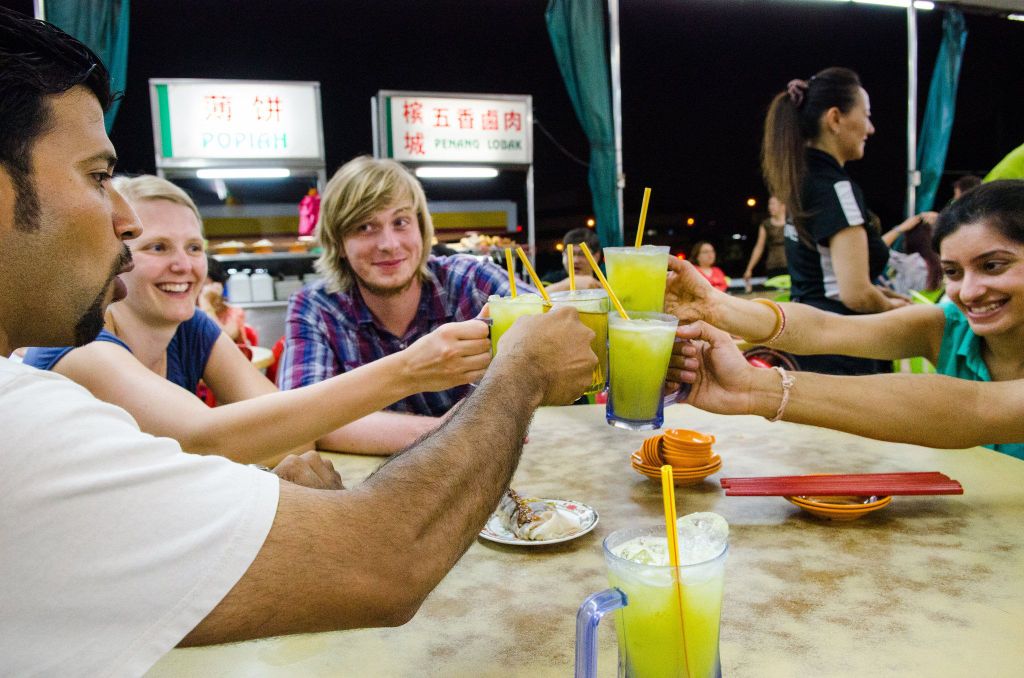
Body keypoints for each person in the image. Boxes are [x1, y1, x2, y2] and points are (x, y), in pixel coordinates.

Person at [0, 9, 596, 673]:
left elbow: (287, 424)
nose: (125, 223)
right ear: (339, 243)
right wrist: (482, 379)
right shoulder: (36, 402)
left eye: (192, 247)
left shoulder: (192, 328)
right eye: (97, 176)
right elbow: (234, 450)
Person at [23, 173, 497, 465]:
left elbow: (293, 434)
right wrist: (410, 369)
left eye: (193, 247)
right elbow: (204, 437)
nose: (184, 266)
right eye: (156, 247)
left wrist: (273, 447)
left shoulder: (190, 327)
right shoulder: (80, 343)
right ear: (117, 256)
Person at [664, 180, 1024, 458]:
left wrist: (754, 388)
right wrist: (715, 306)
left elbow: (972, 409)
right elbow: (827, 327)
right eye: (953, 272)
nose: (970, 291)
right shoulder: (947, 325)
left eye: (992, 266)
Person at [277, 156, 541, 454]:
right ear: (338, 243)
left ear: (421, 227)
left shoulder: (469, 279)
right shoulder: (315, 307)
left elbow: (556, 333)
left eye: (401, 222)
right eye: (365, 227)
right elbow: (296, 421)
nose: (388, 243)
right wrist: (448, 431)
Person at [762, 67, 936, 375]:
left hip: (809, 342)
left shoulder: (800, 183)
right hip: (842, 349)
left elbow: (826, 277)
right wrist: (898, 311)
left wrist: (886, 296)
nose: (870, 129)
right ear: (835, 119)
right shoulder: (836, 189)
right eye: (866, 115)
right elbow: (854, 293)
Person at [199, 252, 251, 345]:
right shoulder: (185, 314)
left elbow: (225, 338)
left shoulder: (233, 312)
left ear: (219, 285)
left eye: (202, 285)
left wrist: (206, 302)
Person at [743, 195, 789, 292]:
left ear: (783, 206)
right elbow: (759, 247)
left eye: (773, 204)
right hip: (774, 266)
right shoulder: (766, 224)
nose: (770, 207)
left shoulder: (791, 222)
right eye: (769, 204)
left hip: (791, 264)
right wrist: (749, 268)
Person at [542, 226, 603, 291]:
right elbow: (536, 296)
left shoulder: (606, 280)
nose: (575, 261)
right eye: (569, 253)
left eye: (582, 254)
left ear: (596, 256)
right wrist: (569, 283)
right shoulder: (550, 280)